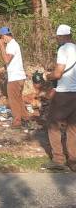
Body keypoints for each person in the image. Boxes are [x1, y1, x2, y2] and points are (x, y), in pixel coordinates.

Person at [42, 24, 76, 171]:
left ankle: (58, 159)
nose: (57, 40)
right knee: (72, 127)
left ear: (62, 36)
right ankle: (73, 160)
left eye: (57, 37)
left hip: (64, 93)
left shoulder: (63, 49)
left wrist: (46, 76)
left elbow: (58, 73)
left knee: (52, 124)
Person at [0, 26, 28, 128]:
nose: (1, 40)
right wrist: (2, 69)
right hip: (20, 77)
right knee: (18, 99)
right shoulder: (14, 44)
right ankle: (25, 119)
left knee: (13, 100)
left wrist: (1, 46)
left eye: (1, 37)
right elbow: (10, 63)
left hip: (15, 78)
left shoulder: (11, 45)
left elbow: (6, 60)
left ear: (4, 36)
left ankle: (17, 122)